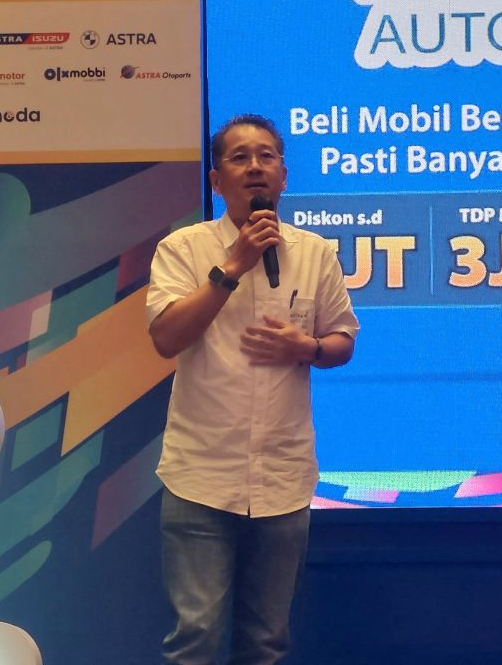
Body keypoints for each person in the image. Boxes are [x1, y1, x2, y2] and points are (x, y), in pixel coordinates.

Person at [146, 114, 359, 665]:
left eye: (267, 156)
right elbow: (166, 338)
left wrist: (306, 347)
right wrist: (232, 267)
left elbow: (342, 341)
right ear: (217, 181)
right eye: (239, 157)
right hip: (201, 476)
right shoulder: (182, 249)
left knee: (266, 643)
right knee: (195, 638)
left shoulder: (315, 253)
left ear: (284, 175)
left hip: (282, 477)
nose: (255, 167)